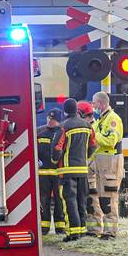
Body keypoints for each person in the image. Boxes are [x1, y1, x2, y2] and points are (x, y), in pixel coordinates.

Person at [54, 99, 95, 242]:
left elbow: (57, 149)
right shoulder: (87, 126)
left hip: (67, 171)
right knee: (81, 200)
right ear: (77, 110)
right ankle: (82, 230)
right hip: (83, 170)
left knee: (69, 200)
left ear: (65, 111)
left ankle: (73, 233)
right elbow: (93, 145)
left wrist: (55, 161)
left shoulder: (63, 126)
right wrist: (86, 157)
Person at [90, 92, 125, 240]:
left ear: (101, 103)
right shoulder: (101, 119)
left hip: (110, 162)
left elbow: (110, 141)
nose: (93, 106)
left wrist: (94, 134)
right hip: (101, 161)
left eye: (94, 103)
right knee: (99, 196)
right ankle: (100, 230)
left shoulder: (112, 119)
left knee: (109, 197)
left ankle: (110, 232)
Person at [36, 109, 66, 235]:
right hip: (43, 173)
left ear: (58, 121)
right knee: (44, 200)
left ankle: (60, 227)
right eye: (49, 118)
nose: (50, 121)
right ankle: (44, 226)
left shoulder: (62, 132)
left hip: (58, 173)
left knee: (59, 200)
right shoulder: (39, 131)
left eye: (53, 119)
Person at [77, 101, 102, 236]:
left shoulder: (90, 128)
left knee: (92, 198)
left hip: (90, 167)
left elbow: (92, 147)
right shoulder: (91, 126)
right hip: (89, 166)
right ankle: (91, 228)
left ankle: (95, 229)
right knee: (88, 198)